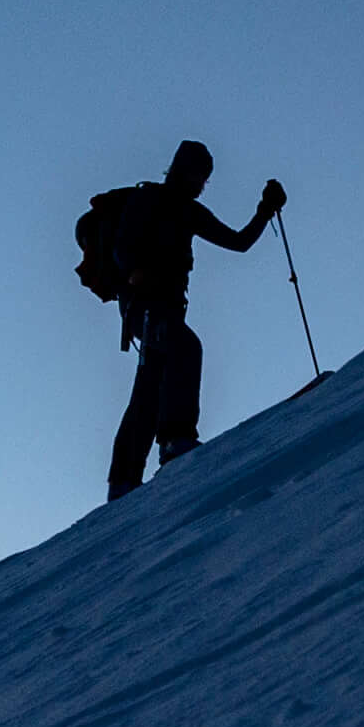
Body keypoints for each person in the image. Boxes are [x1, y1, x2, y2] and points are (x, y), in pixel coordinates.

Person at [100, 140, 283, 497]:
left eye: (206, 179)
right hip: (145, 304)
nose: (202, 185)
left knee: (150, 387)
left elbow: (239, 241)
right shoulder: (149, 199)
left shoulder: (188, 211)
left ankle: (124, 479)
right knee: (184, 348)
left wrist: (266, 209)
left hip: (160, 306)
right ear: (184, 170)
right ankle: (175, 440)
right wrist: (136, 272)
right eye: (201, 176)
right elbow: (122, 248)